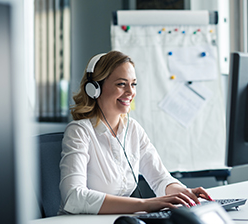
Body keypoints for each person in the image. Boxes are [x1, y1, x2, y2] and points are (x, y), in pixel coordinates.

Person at [59, 50, 213, 215]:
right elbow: (73, 196)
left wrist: (183, 193)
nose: (130, 92)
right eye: (121, 84)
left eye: (133, 84)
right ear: (94, 88)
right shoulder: (79, 132)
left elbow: (160, 178)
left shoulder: (132, 129)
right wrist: (145, 204)